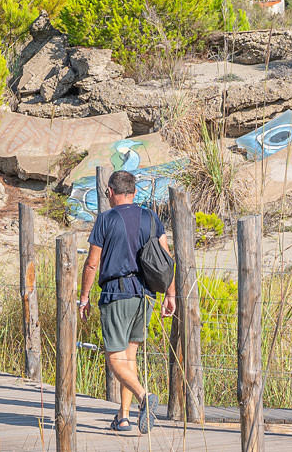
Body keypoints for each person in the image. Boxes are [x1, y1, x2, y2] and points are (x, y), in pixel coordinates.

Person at [76, 171, 175, 434]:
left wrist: (83, 297)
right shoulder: (151, 217)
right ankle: (123, 418)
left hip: (116, 294)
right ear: (133, 191)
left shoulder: (106, 219)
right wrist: (171, 294)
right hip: (145, 296)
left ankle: (145, 398)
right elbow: (167, 260)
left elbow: (92, 263)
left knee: (115, 360)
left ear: (109, 192)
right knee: (129, 357)